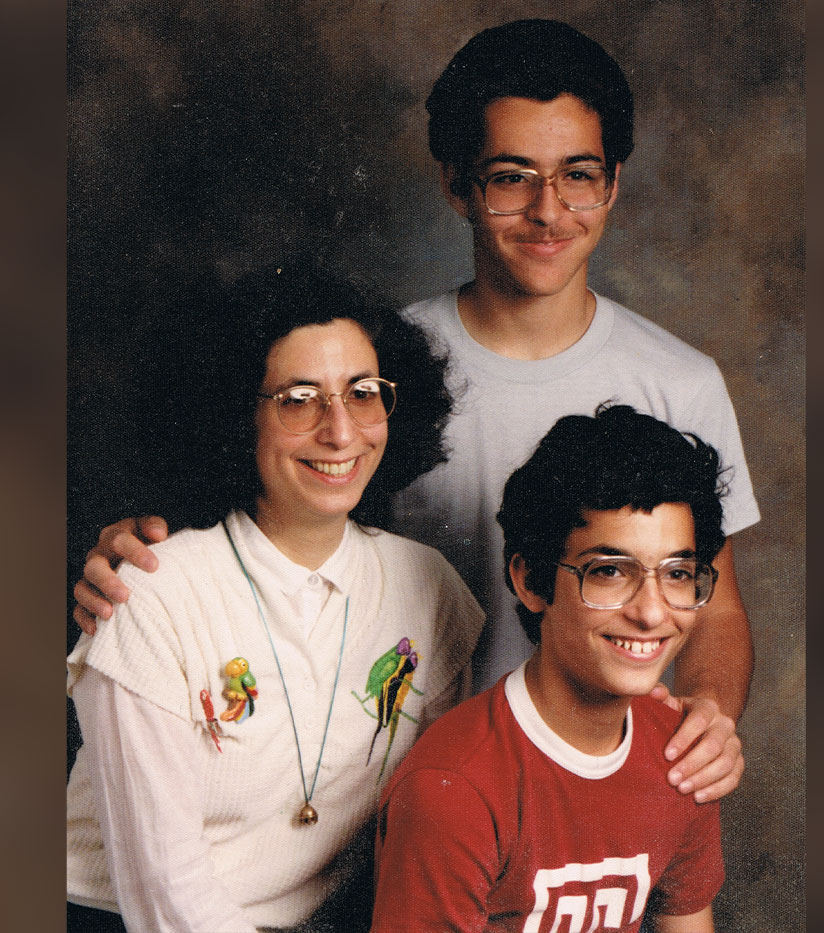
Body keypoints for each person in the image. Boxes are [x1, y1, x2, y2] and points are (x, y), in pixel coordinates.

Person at [73, 19, 755, 803]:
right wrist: (138, 566)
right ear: (455, 183)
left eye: (577, 175)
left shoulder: (682, 381)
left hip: (582, 792)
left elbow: (718, 609)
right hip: (385, 787)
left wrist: (709, 711)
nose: (548, 210)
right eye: (509, 177)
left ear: (613, 182)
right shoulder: (372, 375)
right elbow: (251, 537)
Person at [65, 267, 484, 932]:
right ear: (237, 415)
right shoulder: (147, 591)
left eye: (364, 394)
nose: (341, 432)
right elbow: (163, 892)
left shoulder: (431, 589)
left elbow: (423, 828)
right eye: (298, 399)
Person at [372, 405, 726, 932]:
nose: (652, 612)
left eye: (677, 573)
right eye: (609, 571)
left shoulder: (684, 757)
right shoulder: (453, 789)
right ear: (532, 582)